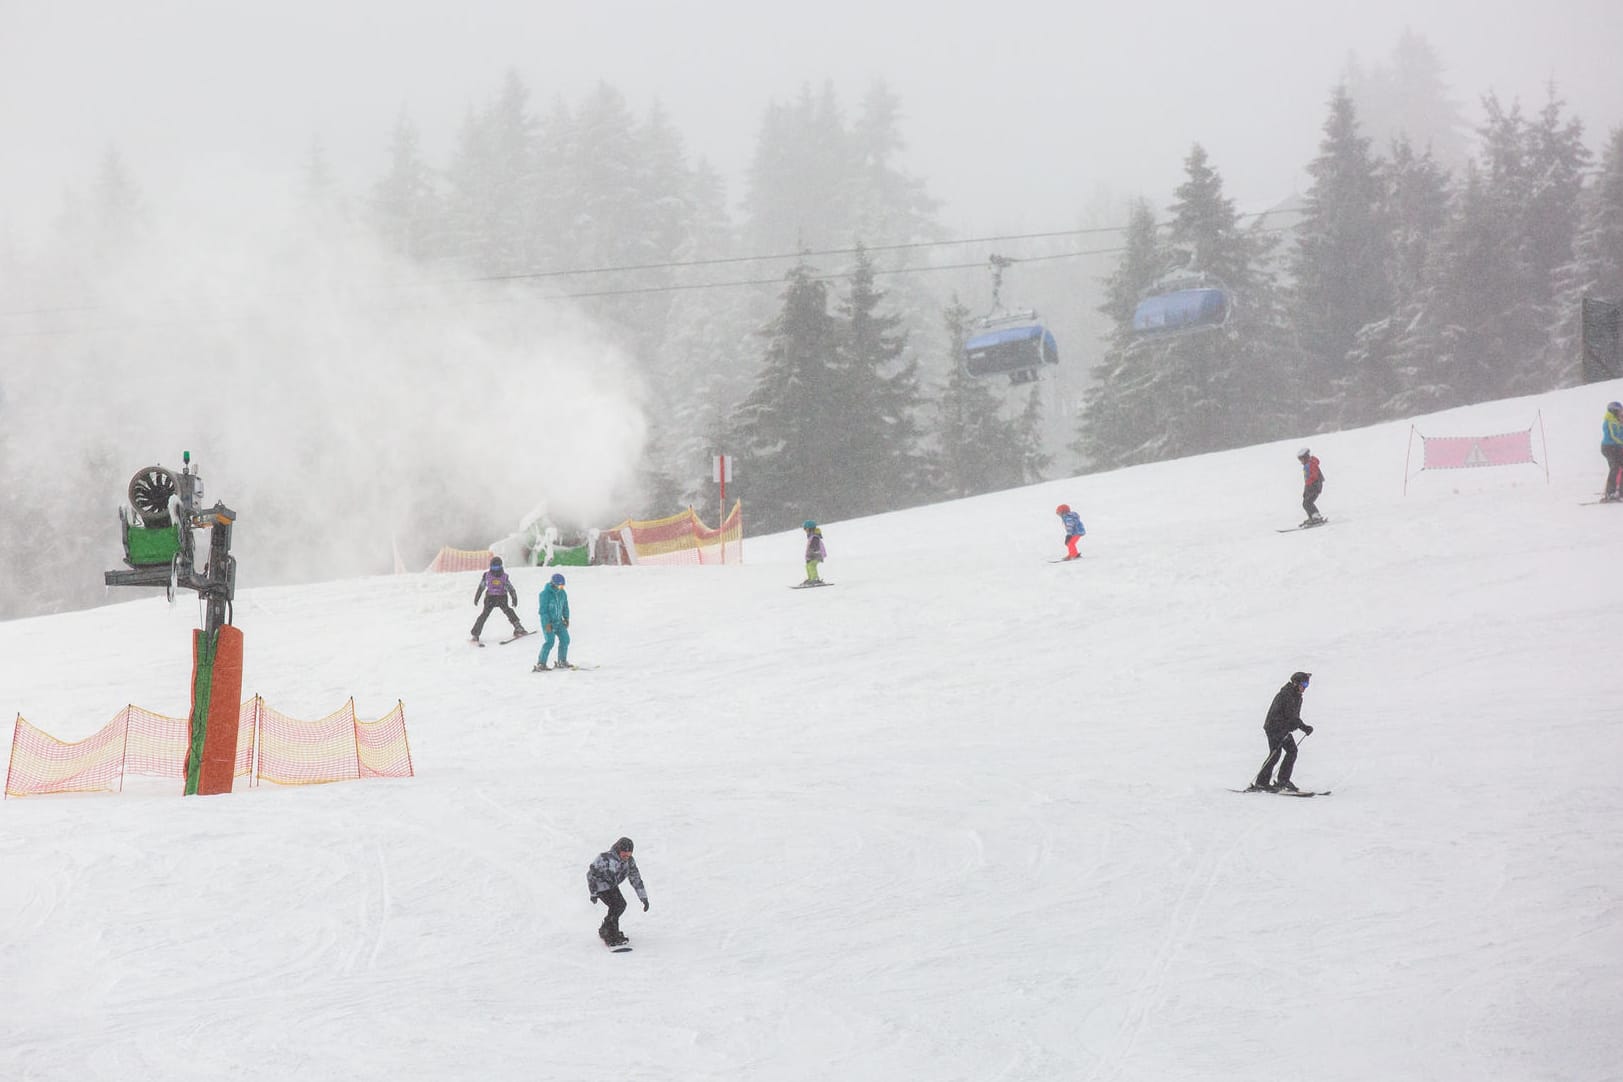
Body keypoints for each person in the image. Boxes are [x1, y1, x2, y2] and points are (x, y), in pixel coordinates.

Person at [1252, 671, 1315, 792]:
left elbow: (1294, 716)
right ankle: (1262, 782)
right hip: (1274, 727)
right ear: (1296, 683)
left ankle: (1282, 781)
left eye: (1307, 685)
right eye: (1304, 684)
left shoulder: (1296, 696)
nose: (1305, 688)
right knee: (1276, 753)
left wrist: (1300, 726)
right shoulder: (1287, 695)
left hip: (1283, 728)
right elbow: (1291, 716)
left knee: (1291, 751)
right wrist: (1304, 727)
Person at [587, 836, 648, 947]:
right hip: (600, 885)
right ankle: (611, 934)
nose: (626, 857)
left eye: (629, 854)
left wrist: (643, 898)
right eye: (624, 854)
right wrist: (593, 893)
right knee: (617, 905)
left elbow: (636, 879)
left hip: (611, 886)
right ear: (618, 850)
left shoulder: (629, 862)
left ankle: (606, 929)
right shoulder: (605, 858)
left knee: (620, 905)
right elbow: (591, 874)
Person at [470, 556, 526, 644]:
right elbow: (481, 587)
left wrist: (514, 598)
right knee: (484, 615)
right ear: (490, 566)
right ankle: (475, 634)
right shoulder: (487, 576)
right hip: (490, 598)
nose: (495, 570)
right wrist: (477, 597)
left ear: (501, 566)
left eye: (497, 567)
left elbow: (510, 588)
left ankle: (518, 627)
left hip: (501, 597)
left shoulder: (504, 577)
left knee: (508, 611)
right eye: (493, 567)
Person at [532, 572, 572, 671]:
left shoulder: (562, 593)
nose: (562, 587)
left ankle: (562, 661)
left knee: (565, 639)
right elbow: (543, 611)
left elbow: (565, 606)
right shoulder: (545, 594)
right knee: (549, 642)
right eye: (560, 585)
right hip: (549, 623)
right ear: (554, 584)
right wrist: (547, 624)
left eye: (563, 586)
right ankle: (541, 663)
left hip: (559, 622)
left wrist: (566, 618)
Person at [1296, 448, 1325, 526]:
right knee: (1305, 503)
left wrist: (1309, 484)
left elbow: (1314, 476)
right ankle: (1312, 517)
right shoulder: (1307, 464)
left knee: (1308, 503)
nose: (1300, 461)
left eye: (1301, 459)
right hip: (1310, 486)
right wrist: (1306, 489)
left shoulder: (1312, 464)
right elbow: (1308, 479)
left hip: (1315, 486)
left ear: (1305, 457)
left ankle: (1316, 517)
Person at [1601, 401, 1623, 501]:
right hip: (1609, 447)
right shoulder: (1610, 421)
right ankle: (1610, 492)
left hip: (1616, 447)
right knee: (1615, 467)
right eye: (1618, 411)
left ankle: (1618, 490)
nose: (1620, 413)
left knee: (1619, 467)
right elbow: (1614, 436)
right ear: (1613, 411)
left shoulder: (1616, 420)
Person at [803, 520, 826, 585]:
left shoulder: (814, 537)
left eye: (806, 529)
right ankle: (811, 579)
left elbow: (815, 547)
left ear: (810, 529)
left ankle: (815, 579)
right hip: (813, 555)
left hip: (816, 555)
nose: (805, 531)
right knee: (808, 566)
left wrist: (812, 555)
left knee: (811, 565)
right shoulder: (812, 536)